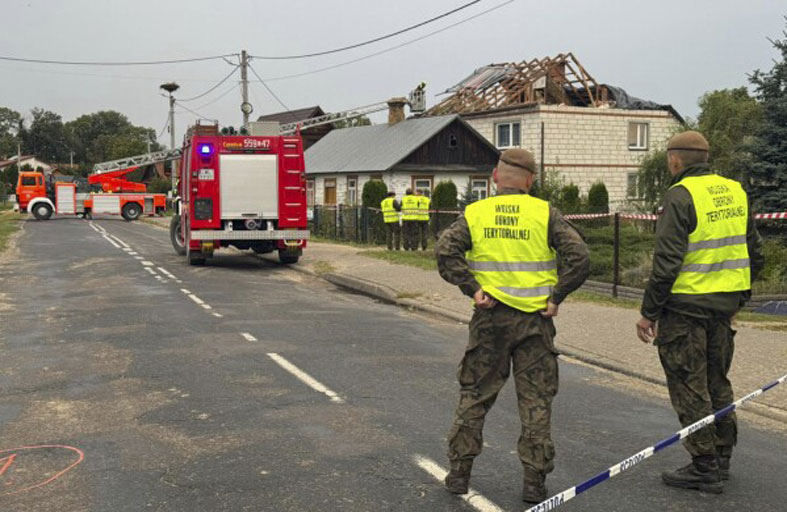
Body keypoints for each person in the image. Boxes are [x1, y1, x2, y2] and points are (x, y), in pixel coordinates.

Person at [435, 148, 590, 503]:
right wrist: (557, 296)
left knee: (475, 395)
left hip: (489, 319)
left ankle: (459, 474)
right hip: (535, 323)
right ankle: (534, 483)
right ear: (531, 181)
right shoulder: (545, 213)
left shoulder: (475, 213)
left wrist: (472, 288)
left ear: (495, 177)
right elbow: (580, 257)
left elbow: (445, 251)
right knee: (535, 401)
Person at [635, 131, 763, 494]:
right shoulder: (735, 191)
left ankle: (703, 466)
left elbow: (667, 263)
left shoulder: (679, 195)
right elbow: (755, 251)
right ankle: (722, 458)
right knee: (717, 382)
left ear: (675, 160)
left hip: (684, 310)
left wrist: (649, 312)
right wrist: (739, 298)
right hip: (723, 309)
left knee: (690, 388)